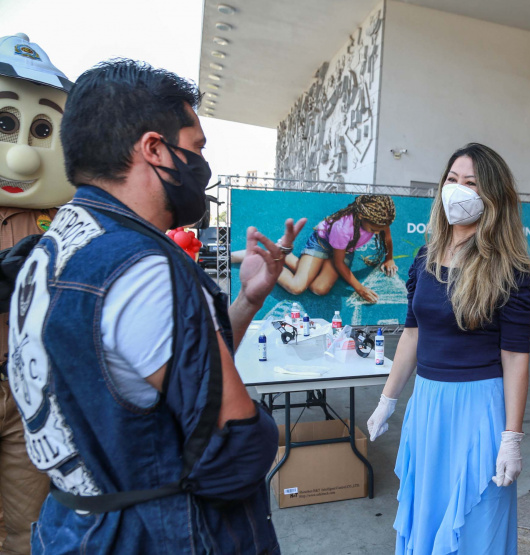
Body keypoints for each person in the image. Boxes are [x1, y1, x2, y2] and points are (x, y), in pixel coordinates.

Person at [6, 59, 306, 554]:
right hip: (154, 534)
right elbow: (233, 445)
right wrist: (263, 432)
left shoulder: (55, 246)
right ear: (153, 148)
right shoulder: (140, 267)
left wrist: (248, 300)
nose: (202, 166)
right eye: (196, 148)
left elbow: (144, 371)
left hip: (74, 526)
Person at [366, 143, 530, 555]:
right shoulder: (425, 259)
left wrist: (511, 437)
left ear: (493, 198)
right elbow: (412, 335)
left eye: (471, 184)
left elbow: (515, 357)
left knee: (476, 523)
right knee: (427, 513)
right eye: (452, 180)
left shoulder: (511, 271)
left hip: (479, 408)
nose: (457, 190)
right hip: (427, 405)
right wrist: (387, 401)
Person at [0, 33, 74, 555]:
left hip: (34, 395)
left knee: (28, 532)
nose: (24, 157)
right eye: (6, 124)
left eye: (42, 130)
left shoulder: (63, 222)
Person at [232, 194, 397, 303]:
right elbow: (339, 264)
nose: (377, 233)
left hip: (341, 251)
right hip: (322, 244)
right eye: (374, 230)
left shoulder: (380, 220)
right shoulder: (343, 228)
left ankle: (285, 255)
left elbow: (387, 238)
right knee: (297, 287)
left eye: (380, 229)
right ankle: (267, 257)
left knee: (319, 288)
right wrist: (360, 289)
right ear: (362, 216)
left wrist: (389, 258)